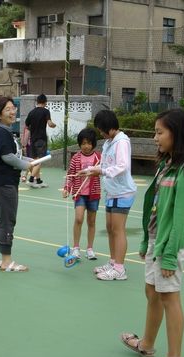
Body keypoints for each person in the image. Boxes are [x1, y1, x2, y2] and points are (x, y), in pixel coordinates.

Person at [120, 109, 184, 357]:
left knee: (169, 297)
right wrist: (146, 241)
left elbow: (179, 217)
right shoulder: (166, 165)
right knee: (152, 293)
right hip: (157, 239)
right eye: (155, 132)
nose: (155, 137)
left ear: (176, 134)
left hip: (171, 244)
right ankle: (147, 344)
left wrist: (168, 255)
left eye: (159, 132)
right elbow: (152, 207)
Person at [81, 110, 137, 281]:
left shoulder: (122, 142)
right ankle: (113, 262)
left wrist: (101, 171)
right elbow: (103, 165)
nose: (100, 132)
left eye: (101, 129)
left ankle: (119, 269)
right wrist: (90, 170)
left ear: (109, 127)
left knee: (118, 229)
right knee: (110, 228)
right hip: (111, 191)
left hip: (123, 191)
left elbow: (122, 166)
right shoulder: (108, 142)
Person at [0, 96, 32, 272]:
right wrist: (26, 165)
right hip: (2, 183)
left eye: (13, 108)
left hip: (1, 182)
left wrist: (29, 160)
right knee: (7, 222)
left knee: (4, 219)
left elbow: (13, 156)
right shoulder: (1, 133)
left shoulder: (2, 132)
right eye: (8, 109)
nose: (13, 112)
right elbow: (7, 157)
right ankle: (6, 261)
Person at [62, 128, 101, 260]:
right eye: (83, 143)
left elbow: (104, 171)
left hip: (94, 194)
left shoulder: (98, 157)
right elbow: (70, 175)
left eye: (89, 143)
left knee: (91, 221)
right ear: (79, 144)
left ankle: (90, 248)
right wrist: (67, 188)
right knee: (79, 219)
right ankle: (76, 247)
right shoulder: (76, 158)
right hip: (79, 194)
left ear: (93, 144)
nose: (86, 146)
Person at [25, 94, 56, 188]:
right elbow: (50, 123)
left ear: (37, 102)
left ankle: (38, 181)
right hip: (41, 139)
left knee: (35, 161)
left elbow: (27, 126)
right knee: (39, 161)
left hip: (33, 139)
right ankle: (31, 179)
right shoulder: (46, 111)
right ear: (45, 102)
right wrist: (53, 125)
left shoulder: (31, 112)